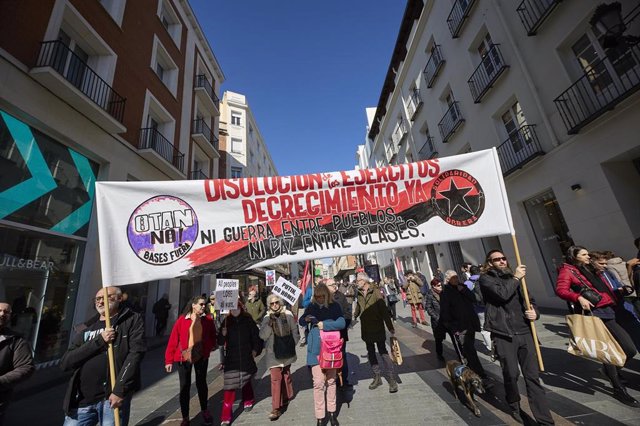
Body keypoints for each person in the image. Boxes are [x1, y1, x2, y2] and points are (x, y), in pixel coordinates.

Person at [556, 246, 639, 407]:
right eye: (584, 254)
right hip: (594, 313)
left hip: (609, 309)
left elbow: (601, 287)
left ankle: (609, 371)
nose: (588, 256)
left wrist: (618, 291)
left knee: (629, 349)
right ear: (575, 256)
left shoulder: (588, 268)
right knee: (607, 350)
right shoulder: (568, 271)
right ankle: (618, 388)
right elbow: (561, 290)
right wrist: (578, 297)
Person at [480, 250, 554, 425]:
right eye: (497, 260)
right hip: (504, 334)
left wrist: (534, 313)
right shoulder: (486, 279)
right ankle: (513, 403)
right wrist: (516, 278)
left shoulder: (517, 279)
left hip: (525, 332)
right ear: (490, 263)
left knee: (532, 377)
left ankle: (545, 420)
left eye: (503, 258)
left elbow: (531, 300)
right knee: (511, 373)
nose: (502, 261)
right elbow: (502, 295)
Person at [61, 287, 146, 426]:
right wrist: (99, 341)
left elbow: (135, 354)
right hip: (82, 400)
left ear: (119, 299)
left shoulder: (131, 320)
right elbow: (66, 362)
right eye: (98, 299)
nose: (101, 302)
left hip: (111, 399)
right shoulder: (86, 329)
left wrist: (120, 390)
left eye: (107, 297)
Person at [164, 296, 217, 426]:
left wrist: (207, 348)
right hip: (184, 357)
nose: (203, 306)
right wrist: (168, 360)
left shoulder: (208, 320)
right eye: (201, 304)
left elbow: (212, 337)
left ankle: (204, 410)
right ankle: (185, 416)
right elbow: (173, 340)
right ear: (193, 305)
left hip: (201, 356)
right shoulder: (182, 320)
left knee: (201, 383)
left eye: (204, 304)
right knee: (184, 386)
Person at [299, 283, 345, 426]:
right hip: (315, 350)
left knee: (331, 381)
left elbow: (342, 323)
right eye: (317, 296)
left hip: (331, 349)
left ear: (326, 295)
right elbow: (301, 321)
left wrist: (324, 325)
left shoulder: (334, 306)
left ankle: (332, 412)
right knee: (318, 383)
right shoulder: (311, 307)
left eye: (321, 296)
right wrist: (306, 318)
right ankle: (320, 416)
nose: (319, 299)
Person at [218, 302, 263, 425]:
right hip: (231, 359)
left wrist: (255, 350)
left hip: (246, 356)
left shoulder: (248, 320)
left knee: (246, 379)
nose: (234, 310)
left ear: (240, 308)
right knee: (229, 386)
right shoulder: (226, 322)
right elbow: (220, 342)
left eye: (237, 307)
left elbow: (256, 336)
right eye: (232, 308)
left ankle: (248, 399)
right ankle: (226, 415)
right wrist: (222, 334)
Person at [440, 270, 488, 381]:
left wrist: (464, 291)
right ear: (447, 280)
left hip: (470, 323)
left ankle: (471, 373)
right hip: (459, 326)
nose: (456, 279)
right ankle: (478, 375)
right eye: (453, 278)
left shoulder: (463, 288)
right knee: (469, 352)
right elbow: (445, 311)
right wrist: (452, 327)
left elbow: (475, 299)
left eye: (456, 277)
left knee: (469, 351)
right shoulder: (446, 293)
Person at [354, 272, 397, 393]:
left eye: (358, 280)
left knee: (383, 352)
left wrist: (390, 327)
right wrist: (353, 317)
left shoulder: (376, 291)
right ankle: (377, 377)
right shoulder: (360, 292)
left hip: (377, 326)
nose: (357, 283)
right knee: (371, 352)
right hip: (366, 328)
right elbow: (359, 306)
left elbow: (383, 309)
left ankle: (391, 379)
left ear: (364, 281)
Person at [259, 295, 299, 421]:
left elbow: (295, 332)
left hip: (287, 351)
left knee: (286, 375)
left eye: (277, 302)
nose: (275, 305)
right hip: (273, 354)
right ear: (269, 305)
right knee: (276, 379)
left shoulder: (288, 314)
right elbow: (263, 336)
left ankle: (287, 396)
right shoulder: (266, 318)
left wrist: (292, 343)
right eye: (272, 303)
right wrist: (269, 325)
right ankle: (276, 407)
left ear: (280, 303)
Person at [0, 302, 34, 424]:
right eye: (0, 310)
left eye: (6, 312)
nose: (2, 314)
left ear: (10, 316)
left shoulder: (17, 340)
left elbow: (26, 367)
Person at [327, 281, 352, 387]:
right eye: (331, 284)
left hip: (340, 333)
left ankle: (343, 380)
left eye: (334, 284)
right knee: (329, 357)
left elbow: (348, 313)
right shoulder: (323, 298)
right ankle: (331, 379)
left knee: (342, 356)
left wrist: (343, 325)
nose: (334, 286)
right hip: (328, 335)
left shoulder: (341, 296)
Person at [465, 266, 491, 352]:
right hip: (491, 306)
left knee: (484, 329)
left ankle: (490, 348)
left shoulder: (468, 283)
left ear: (470, 272)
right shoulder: (486, 278)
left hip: (479, 309)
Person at [424, 278, 446, 361]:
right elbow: (428, 308)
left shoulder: (444, 293)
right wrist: (436, 317)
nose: (440, 287)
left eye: (441, 285)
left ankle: (460, 354)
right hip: (437, 321)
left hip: (448, 319)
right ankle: (439, 354)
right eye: (438, 286)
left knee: (455, 337)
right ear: (433, 286)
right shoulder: (430, 295)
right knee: (439, 339)